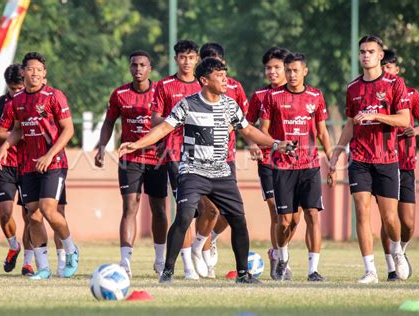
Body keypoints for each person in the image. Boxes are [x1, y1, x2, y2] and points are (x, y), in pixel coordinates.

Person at [119, 57, 293, 284]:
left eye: (225, 74)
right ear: (204, 80)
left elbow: (248, 130)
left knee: (239, 220)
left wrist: (275, 143)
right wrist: (137, 144)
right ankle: (168, 273)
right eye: (219, 75)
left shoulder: (230, 105)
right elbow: (163, 128)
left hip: (222, 173)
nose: (224, 79)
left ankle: (243, 275)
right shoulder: (187, 104)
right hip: (193, 172)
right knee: (183, 217)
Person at [328, 36, 411, 284]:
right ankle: (370, 271)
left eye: (371, 51)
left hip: (386, 158)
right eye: (362, 51)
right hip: (360, 159)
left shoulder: (395, 84)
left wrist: (377, 115)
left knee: (390, 218)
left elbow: (405, 120)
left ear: (380, 55)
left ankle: (397, 252)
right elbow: (351, 124)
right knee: (362, 213)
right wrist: (336, 152)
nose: (366, 55)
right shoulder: (353, 88)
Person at [0, 52, 79, 280]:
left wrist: (50, 155)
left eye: (39, 70)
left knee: (48, 209)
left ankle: (71, 251)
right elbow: (18, 130)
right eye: (30, 69)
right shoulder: (18, 101)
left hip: (54, 163)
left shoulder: (54, 96)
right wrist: (4, 147)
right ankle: (43, 267)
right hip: (28, 166)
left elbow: (68, 129)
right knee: (32, 215)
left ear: (45, 74)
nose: (35, 73)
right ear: (23, 72)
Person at [94, 50, 168, 277]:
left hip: (157, 157)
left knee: (159, 208)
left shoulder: (161, 91)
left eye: (142, 65)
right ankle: (125, 262)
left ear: (150, 69)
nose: (138, 69)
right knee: (130, 206)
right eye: (134, 65)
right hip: (130, 158)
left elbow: (171, 122)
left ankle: (160, 259)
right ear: (130, 68)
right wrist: (102, 146)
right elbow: (108, 122)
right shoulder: (120, 94)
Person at [260, 52, 332, 282]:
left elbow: (321, 132)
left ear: (305, 71)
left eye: (295, 70)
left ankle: (313, 270)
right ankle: (281, 258)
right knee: (285, 221)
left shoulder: (316, 96)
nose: (291, 75)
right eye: (288, 70)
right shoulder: (273, 97)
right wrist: (275, 146)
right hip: (282, 167)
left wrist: (331, 159)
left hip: (310, 165)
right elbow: (263, 131)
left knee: (312, 214)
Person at [190, 42, 249, 278]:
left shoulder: (234, 88)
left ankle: (210, 239)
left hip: (227, 159)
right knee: (208, 210)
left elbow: (245, 123)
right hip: (197, 161)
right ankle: (202, 258)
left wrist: (256, 145)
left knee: (229, 213)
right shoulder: (194, 93)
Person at [150, 39, 201, 280]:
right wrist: (177, 120)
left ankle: (201, 250)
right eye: (183, 57)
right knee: (185, 210)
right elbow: (155, 120)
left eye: (191, 57)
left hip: (204, 154)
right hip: (175, 154)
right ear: (176, 59)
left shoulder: (204, 84)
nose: (187, 62)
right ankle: (187, 264)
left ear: (197, 59)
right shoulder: (164, 85)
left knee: (207, 209)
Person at [380, 49, 419, 281]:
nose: (386, 72)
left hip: (406, 164)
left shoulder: (411, 94)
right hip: (383, 161)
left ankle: (401, 251)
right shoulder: (376, 97)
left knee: (407, 222)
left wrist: (416, 130)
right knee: (387, 217)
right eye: (383, 68)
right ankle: (391, 268)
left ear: (396, 70)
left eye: (389, 67)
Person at [246, 47, 290, 279]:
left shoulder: (297, 94)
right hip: (268, 161)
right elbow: (245, 124)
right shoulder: (260, 95)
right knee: (275, 208)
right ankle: (281, 258)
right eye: (268, 68)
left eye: (277, 67)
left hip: (294, 163)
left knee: (292, 216)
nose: (272, 72)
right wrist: (251, 143)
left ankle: (280, 250)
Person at [0, 64, 29, 274]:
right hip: (6, 165)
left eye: (19, 88)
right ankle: (13, 246)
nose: (16, 93)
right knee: (5, 214)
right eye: (12, 89)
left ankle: (29, 261)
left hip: (29, 163)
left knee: (30, 215)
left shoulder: (33, 101)